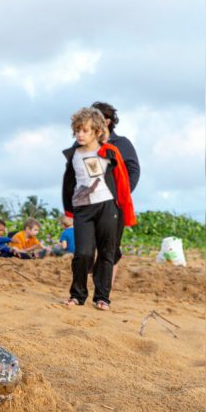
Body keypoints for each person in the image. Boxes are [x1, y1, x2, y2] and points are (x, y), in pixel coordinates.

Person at [62, 107, 136, 311]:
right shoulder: (73, 155)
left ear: (97, 131)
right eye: (77, 130)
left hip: (108, 207)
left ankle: (102, 297)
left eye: (85, 130)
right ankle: (77, 295)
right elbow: (68, 184)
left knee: (106, 253)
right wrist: (68, 211)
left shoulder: (110, 152)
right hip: (82, 210)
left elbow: (122, 181)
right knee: (83, 253)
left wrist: (124, 211)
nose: (80, 134)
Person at [91, 101, 140, 285]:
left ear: (108, 121)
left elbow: (134, 170)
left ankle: (104, 289)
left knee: (110, 247)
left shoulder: (122, 143)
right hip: (90, 202)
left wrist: (122, 194)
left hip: (114, 204)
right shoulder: (84, 141)